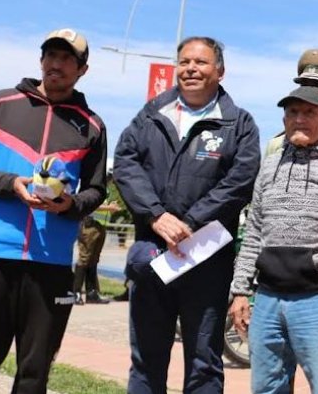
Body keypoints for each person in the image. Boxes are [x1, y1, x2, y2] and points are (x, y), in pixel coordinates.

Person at [113, 36, 261, 393]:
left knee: (203, 362)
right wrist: (155, 215)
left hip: (207, 261)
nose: (191, 69)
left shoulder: (238, 124)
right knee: (146, 360)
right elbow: (125, 163)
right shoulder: (150, 115)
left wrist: (191, 222)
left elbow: (239, 182)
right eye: (184, 62)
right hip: (154, 254)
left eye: (201, 62)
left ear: (220, 71)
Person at [0, 28, 108, 393]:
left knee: (35, 371)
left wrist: (70, 205)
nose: (56, 64)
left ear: (82, 69)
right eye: (50, 55)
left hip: (51, 262)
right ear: (40, 60)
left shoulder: (92, 125)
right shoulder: (0, 104)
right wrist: (11, 184)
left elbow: (96, 190)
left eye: (66, 59)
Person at [229, 85, 318, 394]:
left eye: (308, 112)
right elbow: (253, 235)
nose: (299, 119)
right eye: (292, 112)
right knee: (266, 387)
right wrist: (240, 292)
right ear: (284, 118)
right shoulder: (269, 168)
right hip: (267, 299)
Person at [72, 171, 120, 305]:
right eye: (108, 177)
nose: (110, 180)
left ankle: (92, 293)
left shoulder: (107, 189)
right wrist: (109, 208)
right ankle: (75, 292)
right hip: (89, 224)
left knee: (93, 260)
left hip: (100, 226)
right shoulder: (91, 188)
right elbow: (90, 204)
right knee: (84, 258)